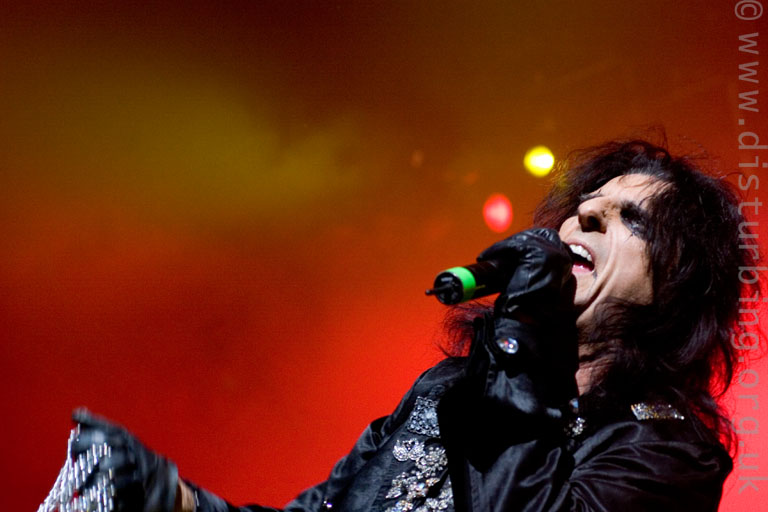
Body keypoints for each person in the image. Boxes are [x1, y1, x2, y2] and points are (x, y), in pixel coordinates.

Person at [69, 138, 757, 512]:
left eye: (631, 219)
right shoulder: (451, 389)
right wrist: (176, 499)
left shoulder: (666, 449)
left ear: (675, 284)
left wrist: (525, 327)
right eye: (587, 205)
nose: (587, 216)